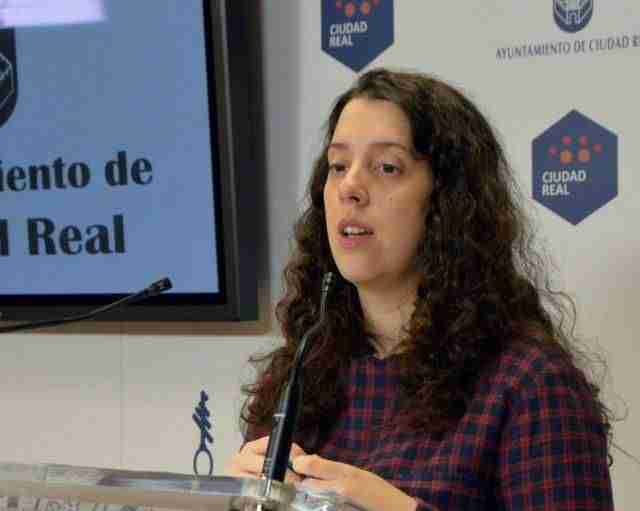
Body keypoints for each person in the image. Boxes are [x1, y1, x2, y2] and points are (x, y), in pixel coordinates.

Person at [228, 69, 614, 510]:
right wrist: (239, 500)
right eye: (338, 166)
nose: (350, 187)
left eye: (386, 167)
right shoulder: (300, 373)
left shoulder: (528, 383)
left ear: (448, 200)